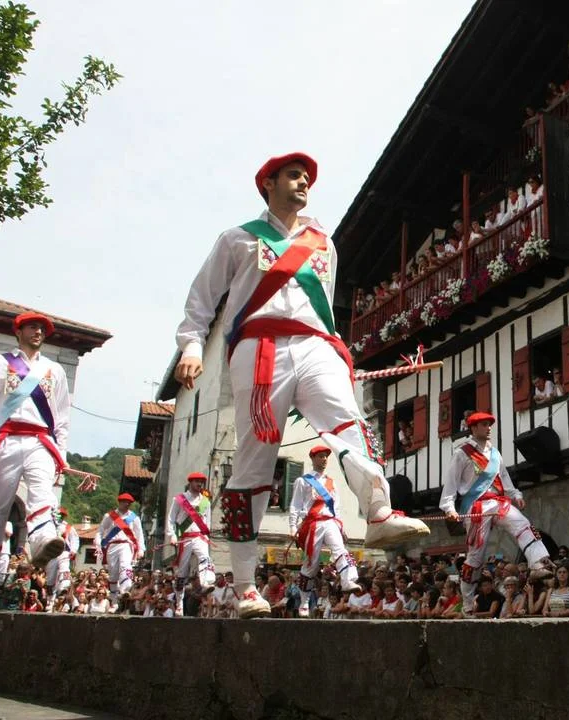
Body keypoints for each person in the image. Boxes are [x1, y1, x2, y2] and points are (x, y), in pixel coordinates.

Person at [173, 152, 428, 617]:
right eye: (293, 175)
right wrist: (191, 345)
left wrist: (335, 349)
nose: (304, 182)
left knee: (348, 420)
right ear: (268, 183)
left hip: (315, 344)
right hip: (260, 349)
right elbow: (202, 297)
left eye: (307, 177)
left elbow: (324, 305)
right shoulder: (238, 238)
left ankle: (377, 511)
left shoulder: (323, 243)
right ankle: (245, 586)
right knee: (254, 462)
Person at [0, 312, 72, 612]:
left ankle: (43, 540)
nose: (38, 332)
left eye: (42, 329)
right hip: (5, 441)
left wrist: (60, 454)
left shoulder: (54, 370)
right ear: (19, 331)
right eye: (33, 327)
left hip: (41, 442)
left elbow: (62, 417)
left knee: (42, 493)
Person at [441, 412, 554, 604]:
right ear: (473, 428)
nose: (489, 428)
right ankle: (468, 603)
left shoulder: (495, 454)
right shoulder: (462, 453)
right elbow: (451, 483)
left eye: (489, 424)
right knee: (475, 558)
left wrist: (515, 494)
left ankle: (538, 562)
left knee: (522, 523)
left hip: (498, 502)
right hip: (476, 507)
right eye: (484, 424)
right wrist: (449, 508)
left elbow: (504, 478)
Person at [289, 444, 361, 612]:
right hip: (312, 523)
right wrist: (292, 527)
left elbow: (336, 507)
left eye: (326, 456)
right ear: (313, 458)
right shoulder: (302, 481)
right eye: (321, 456)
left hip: (329, 521)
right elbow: (295, 505)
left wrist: (341, 528)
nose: (324, 459)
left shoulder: (331, 482)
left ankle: (347, 580)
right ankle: (304, 601)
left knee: (340, 549)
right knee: (311, 564)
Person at [166, 472, 216, 616]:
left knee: (205, 557)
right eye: (197, 481)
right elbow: (171, 519)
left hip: (200, 536)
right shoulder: (179, 499)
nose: (199, 484)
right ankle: (179, 603)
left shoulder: (205, 502)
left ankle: (206, 582)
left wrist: (206, 536)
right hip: (185, 538)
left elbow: (207, 523)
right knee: (182, 573)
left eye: (201, 482)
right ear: (190, 482)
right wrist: (172, 535)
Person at [95, 493, 146, 609]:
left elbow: (139, 534)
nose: (127, 504)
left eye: (129, 503)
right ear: (119, 502)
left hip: (126, 544)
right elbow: (100, 531)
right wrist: (98, 544)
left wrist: (141, 549)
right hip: (112, 546)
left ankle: (125, 589)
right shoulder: (109, 516)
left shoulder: (134, 518)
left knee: (125, 565)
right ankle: (114, 599)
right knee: (113, 573)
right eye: (124, 502)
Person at [46, 506, 80, 601]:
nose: (60, 516)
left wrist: (73, 550)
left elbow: (75, 539)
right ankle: (50, 598)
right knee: (51, 576)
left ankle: (64, 586)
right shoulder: (48, 526)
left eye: (62, 515)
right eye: (58, 514)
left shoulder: (68, 527)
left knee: (64, 567)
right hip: (52, 553)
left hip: (64, 551)